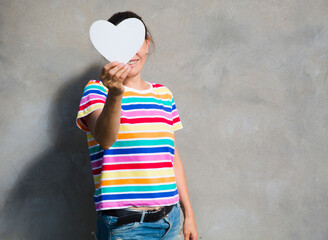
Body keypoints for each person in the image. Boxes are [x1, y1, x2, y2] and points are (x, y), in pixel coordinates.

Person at [76, 11, 198, 240]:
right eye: (119, 45)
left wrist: (188, 214)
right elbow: (105, 138)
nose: (130, 53)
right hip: (125, 225)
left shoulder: (163, 94)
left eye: (135, 42)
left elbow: (171, 157)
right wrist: (115, 93)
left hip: (169, 221)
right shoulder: (97, 90)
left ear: (147, 44)